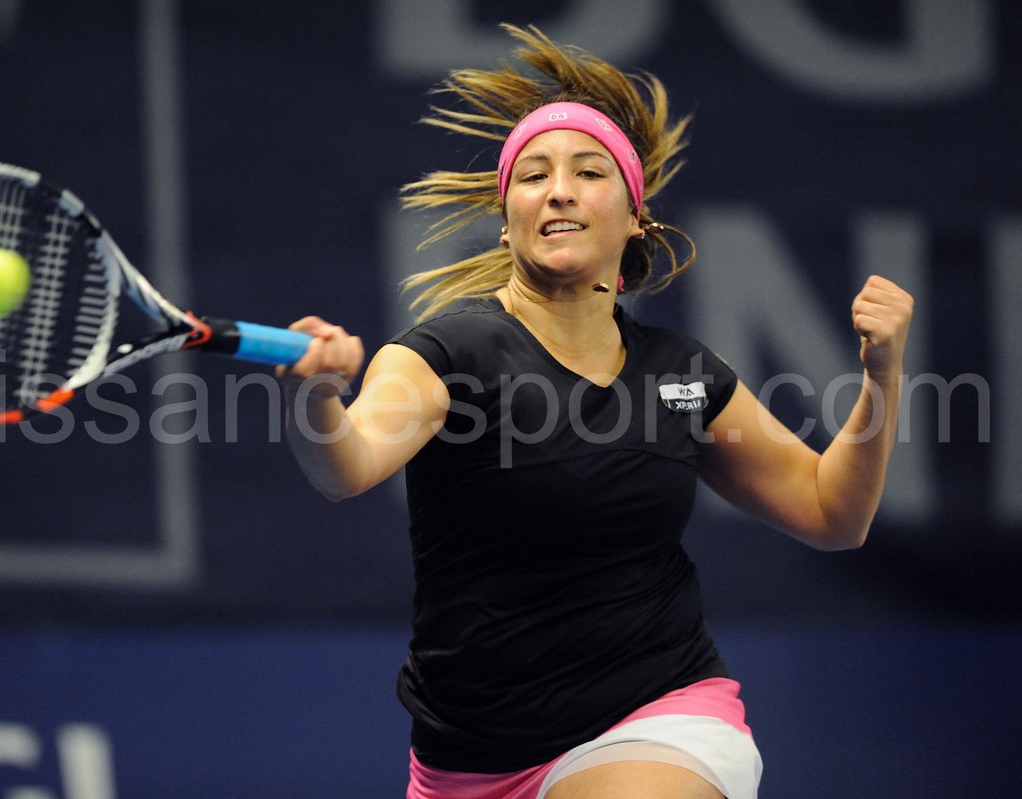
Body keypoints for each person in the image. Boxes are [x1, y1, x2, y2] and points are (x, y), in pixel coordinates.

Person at [279, 24, 913, 799]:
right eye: (534, 175)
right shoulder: (446, 354)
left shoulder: (682, 376)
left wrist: (882, 376)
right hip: (464, 762)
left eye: (588, 171)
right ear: (508, 218)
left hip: (656, 718)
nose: (560, 190)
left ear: (635, 215)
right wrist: (313, 395)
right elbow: (344, 466)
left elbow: (833, 512)